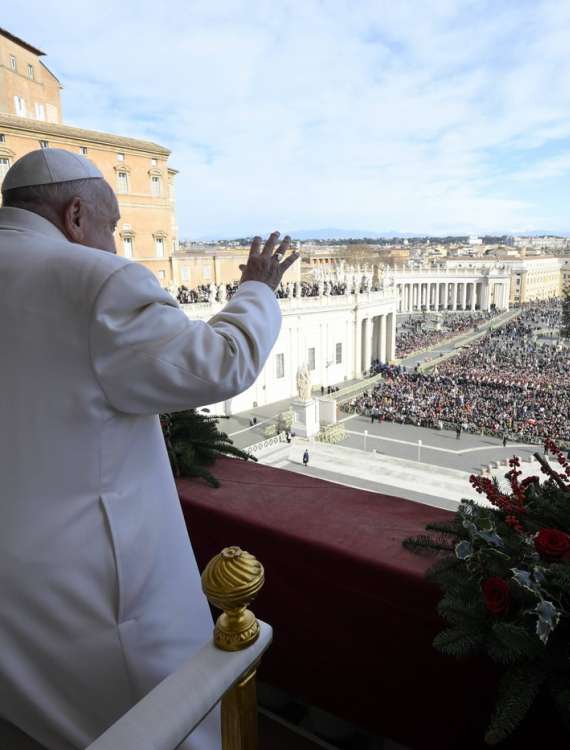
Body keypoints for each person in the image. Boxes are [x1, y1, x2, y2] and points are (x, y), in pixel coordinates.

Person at [0, 149, 299, 750]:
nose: (114, 246)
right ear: (77, 214)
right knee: (168, 719)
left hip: (14, 578)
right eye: (112, 229)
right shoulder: (95, 280)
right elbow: (221, 362)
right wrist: (258, 291)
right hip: (95, 589)